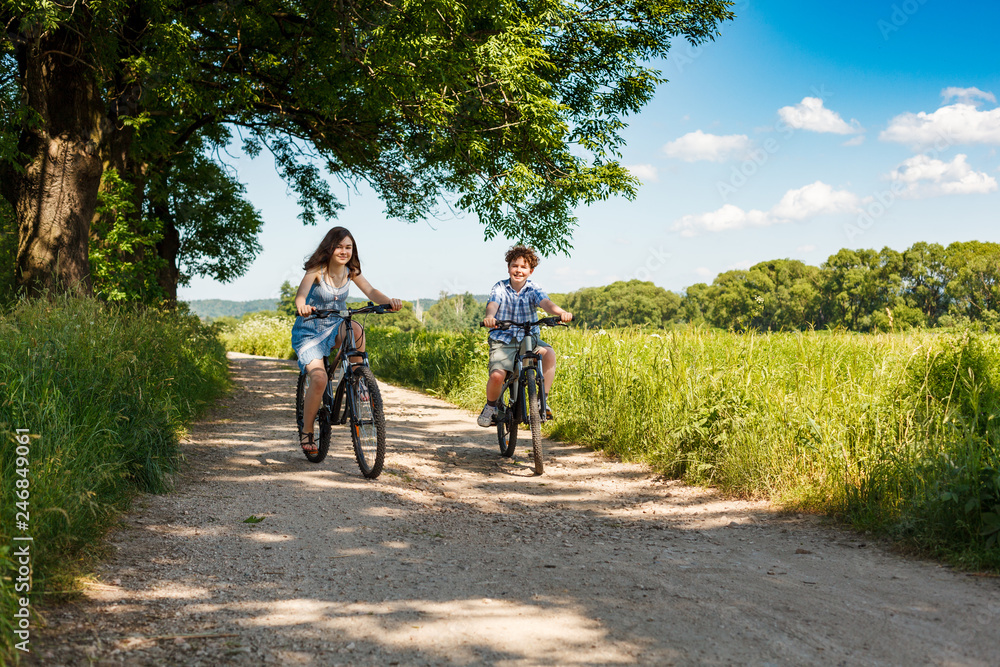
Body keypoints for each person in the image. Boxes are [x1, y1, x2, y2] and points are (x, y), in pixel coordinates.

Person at [291, 227, 401, 455]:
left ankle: (358, 379)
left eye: (348, 247)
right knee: (319, 379)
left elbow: (371, 291)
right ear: (330, 248)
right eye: (339, 246)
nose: (344, 251)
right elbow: (301, 294)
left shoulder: (352, 271)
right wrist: (301, 305)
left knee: (357, 327)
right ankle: (308, 430)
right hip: (310, 328)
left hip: (335, 323)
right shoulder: (317, 269)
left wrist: (388, 302)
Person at [478, 245, 572, 427]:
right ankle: (491, 407)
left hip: (529, 338)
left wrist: (561, 313)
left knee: (549, 354)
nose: (518, 270)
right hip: (503, 339)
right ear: (508, 268)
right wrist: (490, 317)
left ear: (531, 271)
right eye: (515, 266)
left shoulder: (533, 288)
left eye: (523, 267)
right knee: (497, 375)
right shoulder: (500, 287)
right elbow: (493, 304)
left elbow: (546, 303)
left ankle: (541, 401)